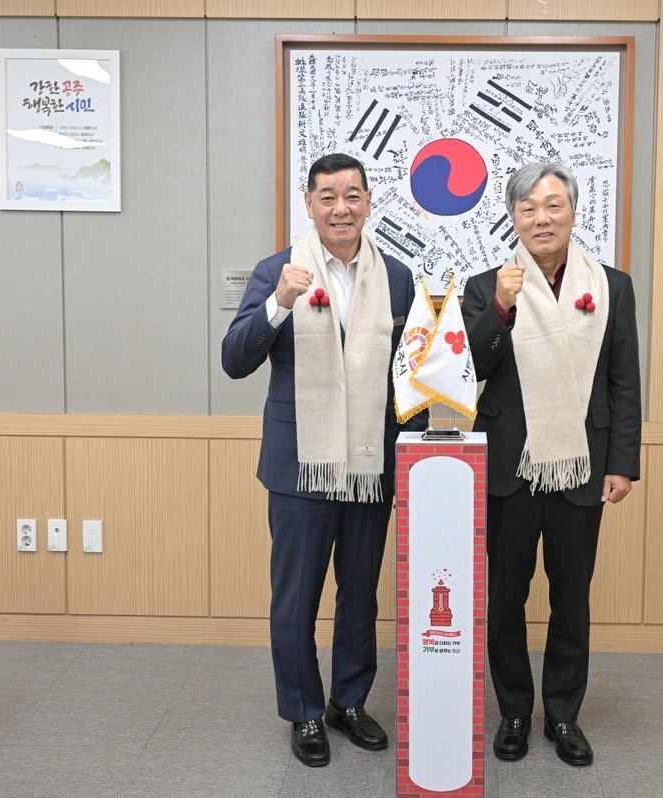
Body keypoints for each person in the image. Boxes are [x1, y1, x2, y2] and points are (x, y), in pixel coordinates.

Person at [222, 152, 425, 768]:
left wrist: (417, 454)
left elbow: (410, 373)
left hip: (369, 464)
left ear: (369, 203)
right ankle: (304, 711)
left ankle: (349, 703)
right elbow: (235, 360)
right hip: (300, 466)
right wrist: (278, 303)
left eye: (352, 196)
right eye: (328, 197)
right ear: (309, 205)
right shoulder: (277, 270)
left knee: (360, 596)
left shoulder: (397, 277)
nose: (341, 208)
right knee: (297, 599)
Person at [462, 162, 641, 766]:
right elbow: (470, 370)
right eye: (529, 208)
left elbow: (623, 380)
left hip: (582, 465)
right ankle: (514, 711)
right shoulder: (487, 286)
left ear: (573, 212)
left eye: (553, 206)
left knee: (572, 599)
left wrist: (622, 462)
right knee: (505, 600)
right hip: (509, 468)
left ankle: (563, 715)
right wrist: (501, 308)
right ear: (514, 218)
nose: (542, 218)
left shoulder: (611, 286)